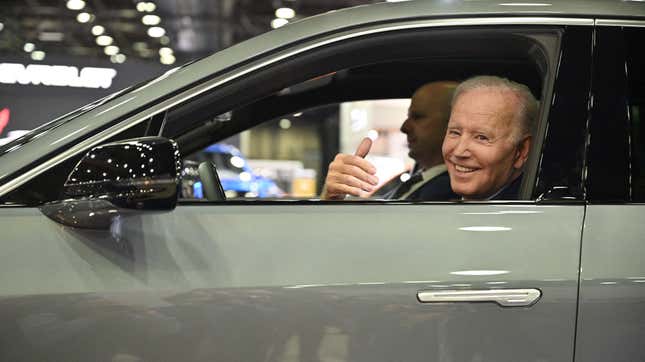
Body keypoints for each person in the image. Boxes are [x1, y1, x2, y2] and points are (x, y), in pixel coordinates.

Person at [321, 81, 458, 201]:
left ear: (453, 124)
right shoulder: (422, 179)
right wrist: (333, 197)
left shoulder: (449, 190)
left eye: (418, 117)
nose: (404, 127)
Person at [442, 75, 538, 200]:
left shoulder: (529, 216)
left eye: (481, 137)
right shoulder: (436, 199)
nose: (459, 152)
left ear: (521, 151)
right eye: (455, 132)